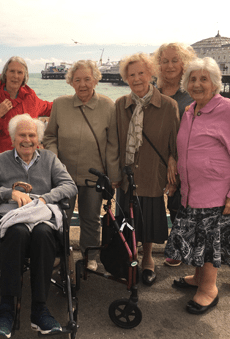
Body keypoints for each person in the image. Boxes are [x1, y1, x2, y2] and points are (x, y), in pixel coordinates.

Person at [0, 114, 77, 338]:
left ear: (38, 139)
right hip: (12, 220)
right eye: (22, 135)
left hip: (41, 218)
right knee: (16, 232)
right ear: (12, 139)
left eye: (32, 135)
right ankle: (6, 309)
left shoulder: (49, 159)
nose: (27, 140)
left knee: (43, 233)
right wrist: (9, 193)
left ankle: (40, 309)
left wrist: (47, 198)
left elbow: (69, 186)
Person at [165, 58, 230, 314]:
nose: (197, 84)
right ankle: (197, 280)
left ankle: (208, 290)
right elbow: (186, 151)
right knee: (199, 244)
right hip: (191, 194)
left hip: (218, 195)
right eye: (192, 79)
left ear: (215, 83)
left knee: (209, 246)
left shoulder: (228, 109)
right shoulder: (191, 110)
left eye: (204, 79)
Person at [43, 60, 121, 271]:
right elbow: (50, 137)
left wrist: (113, 176)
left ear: (96, 79)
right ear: (71, 82)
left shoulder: (108, 106)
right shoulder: (60, 104)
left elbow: (113, 143)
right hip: (63, 176)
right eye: (77, 80)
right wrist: (53, 159)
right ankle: (60, 253)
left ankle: (90, 255)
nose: (83, 84)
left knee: (91, 218)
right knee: (60, 218)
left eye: (87, 79)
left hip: (94, 174)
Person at [115, 53, 179, 286]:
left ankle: (148, 259)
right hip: (127, 173)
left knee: (150, 218)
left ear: (151, 74)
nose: (137, 78)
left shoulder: (168, 105)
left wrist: (173, 161)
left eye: (141, 73)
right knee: (126, 221)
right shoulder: (121, 104)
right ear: (126, 79)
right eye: (131, 75)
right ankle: (129, 257)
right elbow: (115, 141)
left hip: (153, 171)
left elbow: (175, 142)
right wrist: (115, 174)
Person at [153, 42, 196, 267]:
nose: (169, 66)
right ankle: (148, 242)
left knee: (179, 204)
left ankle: (177, 245)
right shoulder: (153, 91)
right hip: (155, 157)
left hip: (184, 159)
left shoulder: (191, 92)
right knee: (151, 202)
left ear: (184, 63)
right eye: (164, 61)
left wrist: (176, 160)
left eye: (174, 60)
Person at [0, 56, 52, 166]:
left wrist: (73, 100)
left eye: (20, 72)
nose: (15, 76)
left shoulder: (30, 98)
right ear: (5, 73)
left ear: (24, 76)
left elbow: (49, 107)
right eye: (12, 71)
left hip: (28, 164)